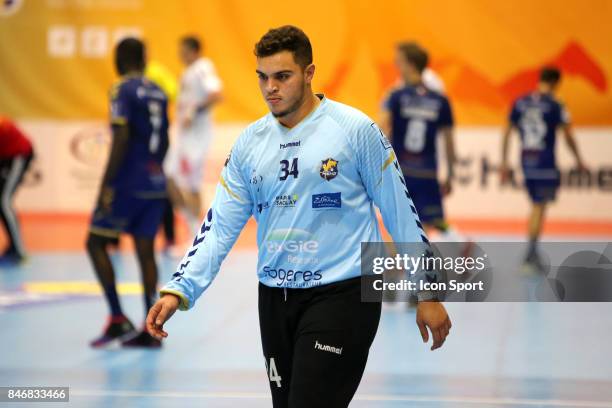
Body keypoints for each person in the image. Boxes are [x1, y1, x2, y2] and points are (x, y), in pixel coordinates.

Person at [147, 26, 451, 407]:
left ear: (309, 73)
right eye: (263, 77)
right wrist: (180, 288)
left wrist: (427, 290)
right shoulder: (249, 145)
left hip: (345, 293)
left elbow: (400, 211)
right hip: (275, 299)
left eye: (282, 76)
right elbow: (219, 226)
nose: (270, 88)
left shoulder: (355, 131)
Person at [87, 38, 169, 348]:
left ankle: (118, 319)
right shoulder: (158, 91)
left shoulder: (122, 89)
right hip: (155, 181)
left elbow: (120, 136)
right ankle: (152, 329)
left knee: (95, 242)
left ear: (118, 60)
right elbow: (166, 140)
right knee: (146, 252)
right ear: (144, 60)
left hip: (128, 182)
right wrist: (156, 170)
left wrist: (106, 185)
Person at [501, 67, 587, 273]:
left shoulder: (520, 102)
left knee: (535, 206)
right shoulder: (556, 104)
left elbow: (507, 132)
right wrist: (578, 160)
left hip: (526, 161)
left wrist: (504, 162)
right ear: (556, 83)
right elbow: (568, 135)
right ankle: (530, 256)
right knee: (539, 208)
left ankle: (532, 253)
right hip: (545, 163)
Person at [379, 42, 465, 243]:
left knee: (400, 228)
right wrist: (451, 174)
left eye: (398, 61)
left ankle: (393, 267)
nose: (395, 64)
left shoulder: (396, 96)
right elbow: (449, 142)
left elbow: (379, 131)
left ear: (409, 64)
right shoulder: (440, 100)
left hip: (401, 172)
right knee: (422, 229)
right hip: (427, 173)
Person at [164, 35, 223, 240]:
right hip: (183, 136)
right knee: (168, 176)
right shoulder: (187, 71)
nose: (180, 54)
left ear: (193, 51)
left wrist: (194, 111)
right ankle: (191, 223)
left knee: (192, 184)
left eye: (183, 50)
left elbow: (217, 94)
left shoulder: (203, 67)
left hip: (197, 138)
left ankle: (197, 235)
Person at [0, 116, 34, 263]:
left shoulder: (4, 127)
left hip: (16, 154)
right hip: (4, 155)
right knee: (2, 203)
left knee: (4, 201)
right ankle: (14, 247)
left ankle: (19, 251)